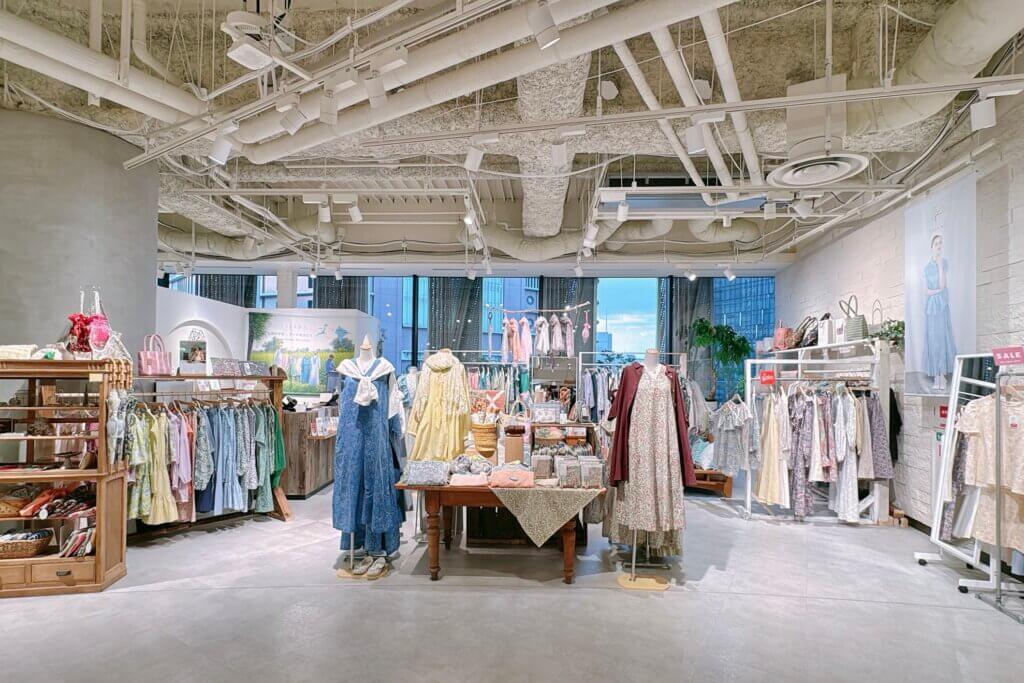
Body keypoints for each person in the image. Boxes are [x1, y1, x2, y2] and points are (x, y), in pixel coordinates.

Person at [923, 233, 956, 391]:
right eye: (936, 243)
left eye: (941, 243)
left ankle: (942, 374)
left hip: (941, 305)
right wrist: (937, 291)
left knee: (942, 338)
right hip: (931, 307)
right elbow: (926, 291)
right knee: (933, 339)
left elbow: (943, 285)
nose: (939, 246)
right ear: (931, 246)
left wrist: (940, 265)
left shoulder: (944, 263)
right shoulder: (926, 267)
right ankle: (936, 374)